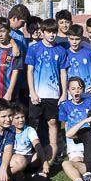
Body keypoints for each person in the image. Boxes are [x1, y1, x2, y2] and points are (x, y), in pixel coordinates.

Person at [26, 18, 69, 155]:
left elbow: (63, 73)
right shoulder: (34, 49)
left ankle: (52, 154)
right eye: (49, 32)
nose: (52, 35)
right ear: (42, 32)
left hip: (54, 95)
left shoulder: (61, 50)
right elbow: (30, 71)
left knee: (52, 123)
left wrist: (63, 93)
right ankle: (30, 152)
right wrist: (32, 92)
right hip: (37, 94)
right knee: (33, 122)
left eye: (54, 32)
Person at [58, 77, 91, 163]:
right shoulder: (65, 105)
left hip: (89, 139)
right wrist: (68, 141)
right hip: (74, 140)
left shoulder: (90, 102)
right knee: (77, 161)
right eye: (73, 89)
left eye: (79, 88)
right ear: (68, 90)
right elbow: (66, 124)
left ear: (83, 90)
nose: (77, 91)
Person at [8, 104, 47, 181]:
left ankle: (41, 171)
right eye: (17, 118)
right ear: (11, 119)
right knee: (20, 179)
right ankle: (12, 175)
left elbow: (37, 144)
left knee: (47, 149)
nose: (21, 120)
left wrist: (44, 161)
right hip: (16, 160)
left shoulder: (29, 129)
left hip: (29, 159)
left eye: (22, 117)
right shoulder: (8, 131)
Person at [64, 23, 91, 97]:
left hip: (88, 92)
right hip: (71, 95)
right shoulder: (65, 54)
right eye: (72, 39)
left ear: (82, 38)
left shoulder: (88, 52)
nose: (74, 42)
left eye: (77, 39)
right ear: (68, 38)